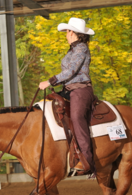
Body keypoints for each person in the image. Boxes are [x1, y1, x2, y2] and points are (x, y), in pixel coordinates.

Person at [39, 17, 95, 174]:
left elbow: (71, 71)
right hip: (68, 90)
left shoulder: (81, 48)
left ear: (72, 33)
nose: (65, 35)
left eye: (67, 31)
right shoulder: (72, 49)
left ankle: (86, 159)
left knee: (77, 117)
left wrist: (50, 81)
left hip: (81, 90)